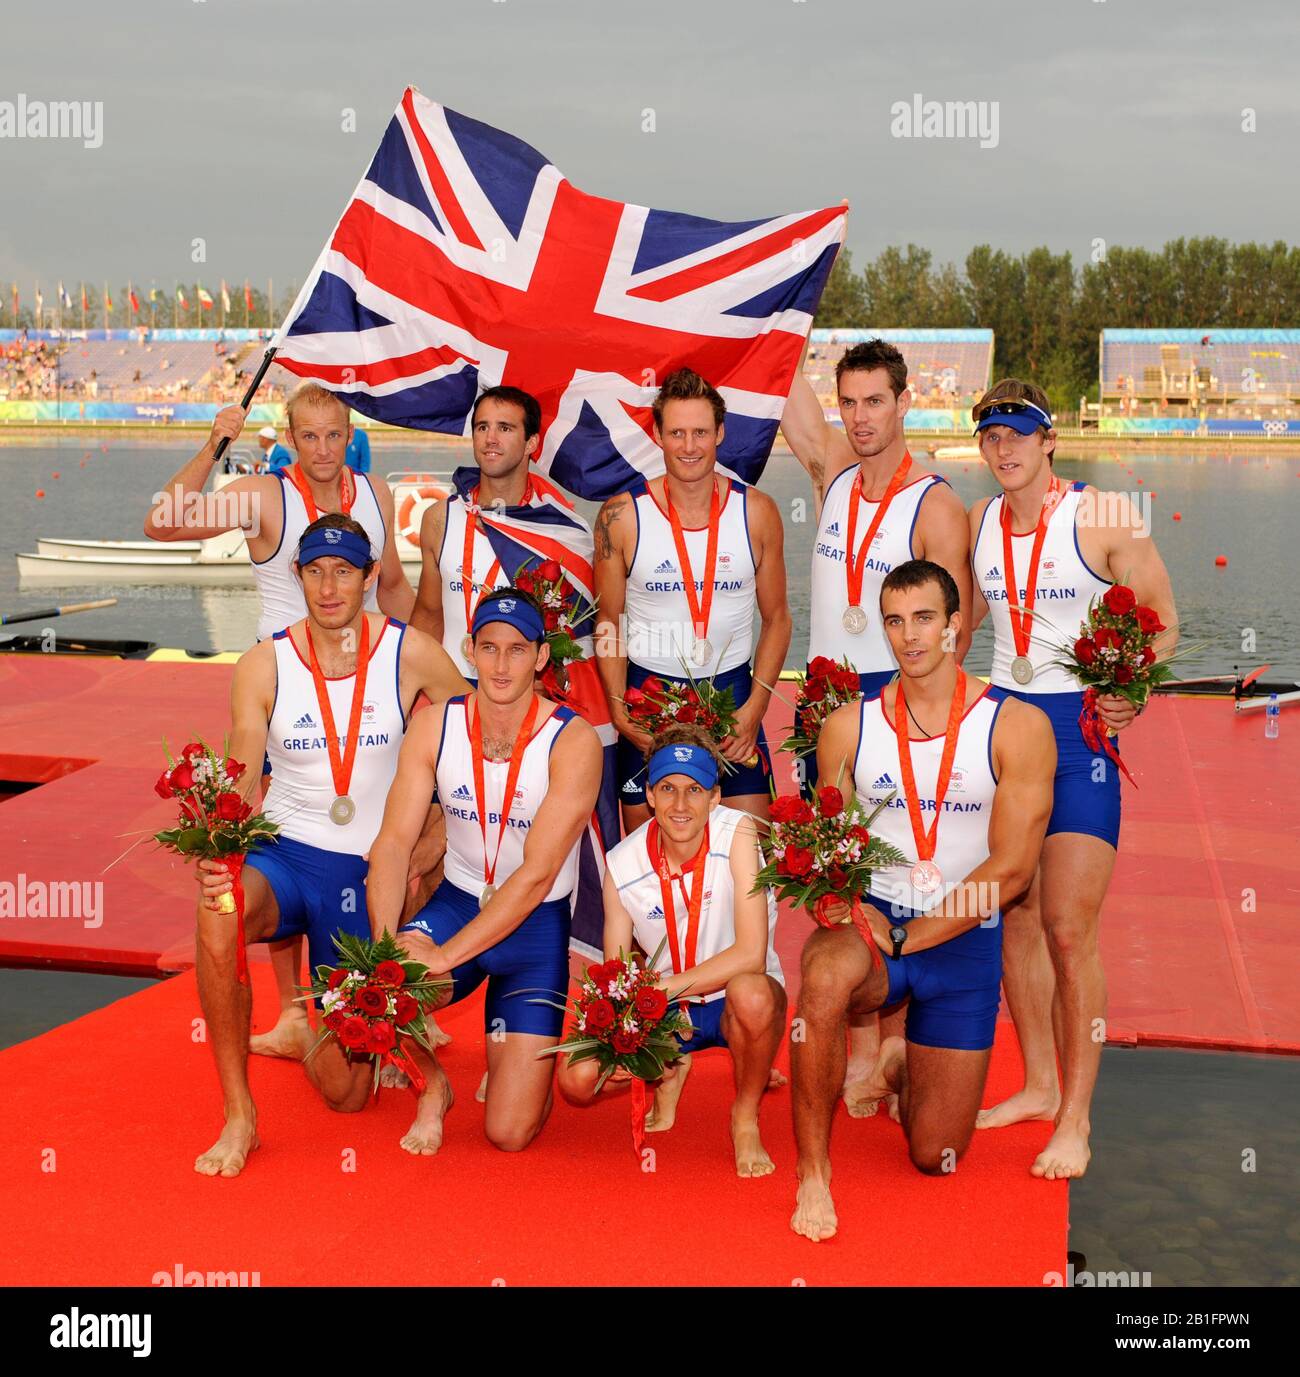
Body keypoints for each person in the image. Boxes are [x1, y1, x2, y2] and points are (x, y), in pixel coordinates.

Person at [146, 381, 423, 1059]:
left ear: (350, 432)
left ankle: (390, 995)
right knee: (281, 838)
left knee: (396, 832)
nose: (323, 450)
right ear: (288, 437)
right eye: (309, 436)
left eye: (335, 435)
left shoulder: (376, 493)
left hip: (369, 692)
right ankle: (296, 1009)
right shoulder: (268, 495)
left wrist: (429, 663)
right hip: (282, 692)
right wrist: (217, 441)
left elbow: (391, 588)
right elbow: (163, 520)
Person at [191, 515, 469, 1179]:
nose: (329, 585)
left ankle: (325, 1022)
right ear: (298, 576)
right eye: (315, 570)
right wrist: (216, 852)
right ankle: (240, 1114)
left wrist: (430, 840)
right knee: (217, 909)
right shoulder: (264, 662)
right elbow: (239, 779)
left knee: (347, 1097)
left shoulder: (414, 653)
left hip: (366, 871)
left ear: (370, 578)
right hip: (285, 858)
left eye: (344, 570)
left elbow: (473, 747)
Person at [789, 560, 1056, 1241]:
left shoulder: (1015, 725)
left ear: (957, 623)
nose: (910, 636)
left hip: (960, 939)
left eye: (925, 618)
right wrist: (846, 901)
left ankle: (902, 1060)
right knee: (819, 983)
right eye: (896, 620)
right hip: (875, 922)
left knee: (934, 1154)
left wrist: (913, 936)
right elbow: (830, 846)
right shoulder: (847, 726)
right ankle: (813, 1175)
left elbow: (1014, 870)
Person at [965, 380, 1178, 1180]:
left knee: (1066, 926)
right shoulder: (980, 521)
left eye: (1018, 433)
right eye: (990, 436)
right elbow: (959, 627)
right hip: (1004, 732)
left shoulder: (1106, 516)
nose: (1004, 448)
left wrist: (1133, 684)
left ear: (1049, 440)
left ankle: (1078, 1119)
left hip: (1077, 730)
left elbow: (1164, 617)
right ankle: (1040, 1084)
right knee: (1014, 920)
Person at [781, 337, 974, 1103]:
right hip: (827, 707)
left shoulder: (934, 503)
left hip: (895, 710)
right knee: (838, 879)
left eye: (874, 401)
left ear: (903, 402)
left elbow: (952, 627)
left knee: (898, 872)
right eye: (849, 402)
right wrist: (775, 303)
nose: (860, 417)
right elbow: (781, 387)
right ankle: (866, 1051)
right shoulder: (830, 469)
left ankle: (894, 1045)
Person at [366, 589, 604, 1156]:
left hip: (532, 926)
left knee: (509, 1134)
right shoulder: (433, 728)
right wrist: (380, 954)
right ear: (469, 649)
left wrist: (444, 959)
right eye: (490, 649)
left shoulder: (573, 741)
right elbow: (393, 844)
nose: (500, 666)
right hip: (458, 902)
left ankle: (514, 1058)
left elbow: (536, 877)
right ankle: (435, 1086)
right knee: (380, 988)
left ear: (541, 658)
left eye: (517, 650)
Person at [558, 726, 787, 1177]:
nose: (680, 806)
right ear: (649, 794)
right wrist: (625, 1034)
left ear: (715, 797)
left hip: (729, 998)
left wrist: (662, 989)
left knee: (752, 994)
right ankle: (669, 1064)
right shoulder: (622, 864)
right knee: (576, 1081)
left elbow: (751, 955)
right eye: (667, 789)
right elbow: (618, 972)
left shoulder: (738, 834)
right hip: (666, 1010)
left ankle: (744, 1115)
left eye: (694, 791)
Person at [594, 367, 791, 833]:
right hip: (649, 697)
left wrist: (755, 709)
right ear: (658, 435)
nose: (689, 446)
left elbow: (779, 618)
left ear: (720, 433)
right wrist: (620, 710)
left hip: (733, 696)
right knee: (649, 855)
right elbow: (607, 622)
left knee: (749, 851)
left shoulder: (758, 511)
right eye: (677, 432)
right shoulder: (620, 514)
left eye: (700, 432)